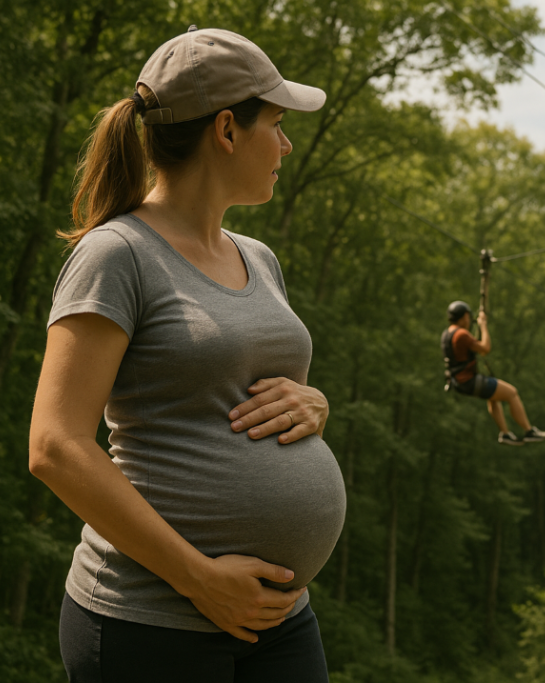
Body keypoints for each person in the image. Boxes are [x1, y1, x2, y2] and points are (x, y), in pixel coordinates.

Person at [28, 27, 346, 682]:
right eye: (277, 125)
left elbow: (255, 399)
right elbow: (55, 445)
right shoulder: (115, 255)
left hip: (281, 617)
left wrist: (315, 404)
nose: (285, 144)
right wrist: (200, 578)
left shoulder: (259, 257)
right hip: (150, 622)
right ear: (227, 130)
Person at [441, 300, 545, 446]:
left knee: (493, 397)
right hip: (469, 381)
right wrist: (483, 325)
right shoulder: (461, 334)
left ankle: (505, 433)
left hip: (459, 382)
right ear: (465, 316)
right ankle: (528, 431)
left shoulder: (447, 334)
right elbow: (485, 348)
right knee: (512, 393)